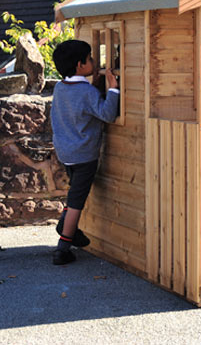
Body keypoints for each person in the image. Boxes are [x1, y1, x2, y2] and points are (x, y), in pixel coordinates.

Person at [50, 40, 119, 265]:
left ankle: (66, 227)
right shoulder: (87, 91)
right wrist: (113, 88)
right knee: (77, 200)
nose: (93, 62)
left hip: (65, 152)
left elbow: (78, 107)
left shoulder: (60, 87)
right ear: (80, 65)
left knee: (74, 194)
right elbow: (107, 114)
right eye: (90, 59)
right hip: (84, 155)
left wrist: (96, 85)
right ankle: (63, 247)